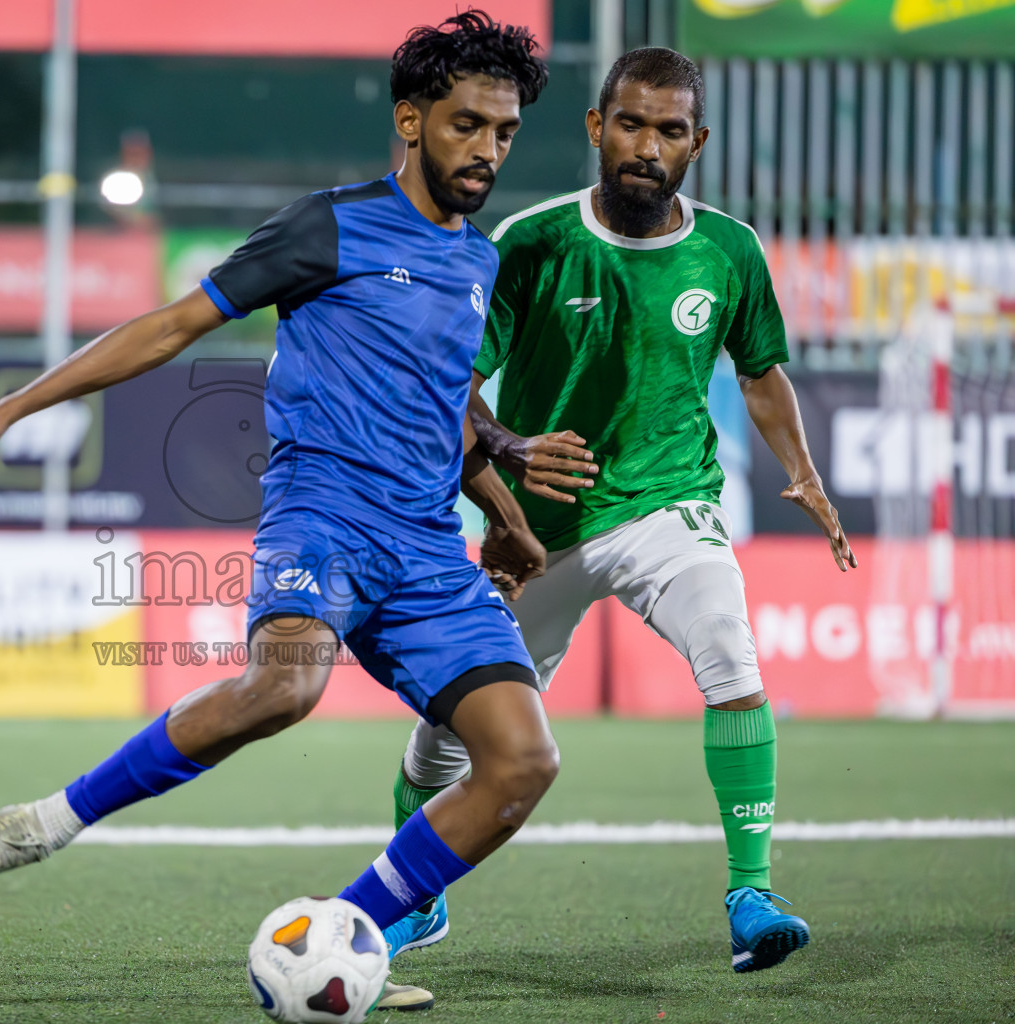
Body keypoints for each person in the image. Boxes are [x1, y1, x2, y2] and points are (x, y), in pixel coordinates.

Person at [0, 12, 551, 1009]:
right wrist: (9, 407)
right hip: (322, 515)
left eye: (504, 132)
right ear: (411, 120)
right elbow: (170, 324)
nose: (488, 151)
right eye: (468, 125)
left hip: (428, 546)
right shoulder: (328, 225)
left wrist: (500, 509)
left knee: (521, 763)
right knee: (284, 688)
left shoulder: (476, 263)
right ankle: (43, 822)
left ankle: (344, 939)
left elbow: (444, 405)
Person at [385, 47, 857, 976]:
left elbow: (761, 375)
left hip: (666, 506)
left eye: (670, 131)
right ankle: (415, 896)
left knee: (729, 645)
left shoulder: (729, 249)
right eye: (631, 124)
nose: (648, 145)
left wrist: (801, 472)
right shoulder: (530, 241)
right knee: (444, 738)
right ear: (598, 130)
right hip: (533, 533)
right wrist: (512, 456)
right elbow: (456, 390)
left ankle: (752, 893)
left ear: (697, 142)